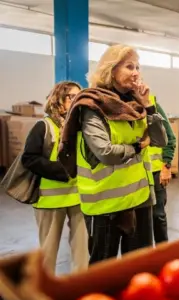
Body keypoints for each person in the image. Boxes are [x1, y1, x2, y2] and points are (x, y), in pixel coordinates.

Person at [58, 44, 168, 264]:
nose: (136, 72)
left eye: (137, 66)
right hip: (105, 204)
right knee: (103, 268)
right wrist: (137, 147)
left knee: (139, 266)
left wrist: (148, 106)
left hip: (139, 199)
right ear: (111, 69)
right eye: (129, 66)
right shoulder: (92, 104)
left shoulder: (137, 103)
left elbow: (161, 140)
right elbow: (104, 152)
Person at [21, 81, 88, 273]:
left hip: (79, 198)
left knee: (82, 250)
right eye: (72, 96)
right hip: (50, 201)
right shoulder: (44, 126)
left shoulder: (81, 127)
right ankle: (45, 292)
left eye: (79, 97)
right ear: (58, 99)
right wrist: (62, 172)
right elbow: (29, 158)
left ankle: (79, 289)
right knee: (48, 253)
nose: (76, 101)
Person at [145, 95, 177, 244]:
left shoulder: (153, 104)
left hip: (155, 172)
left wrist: (166, 166)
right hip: (133, 175)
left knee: (158, 216)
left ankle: (162, 253)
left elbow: (170, 138)